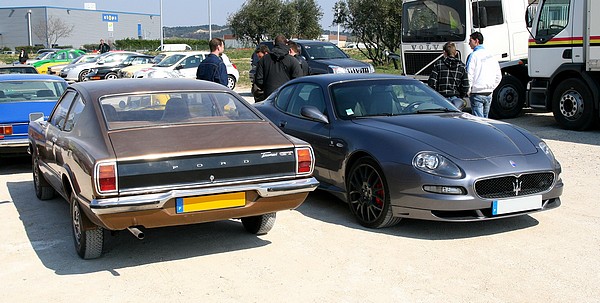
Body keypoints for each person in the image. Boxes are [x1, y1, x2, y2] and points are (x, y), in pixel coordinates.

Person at [466, 31, 502, 118]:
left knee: (478, 121)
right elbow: (498, 75)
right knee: (485, 120)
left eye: (470, 41)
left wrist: (468, 90)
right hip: (489, 92)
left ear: (476, 41)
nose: (469, 43)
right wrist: (492, 87)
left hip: (477, 92)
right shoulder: (491, 56)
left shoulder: (473, 56)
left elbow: (469, 74)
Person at [427, 42, 469, 110]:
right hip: (456, 98)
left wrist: (435, 95)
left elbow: (431, 82)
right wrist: (461, 96)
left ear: (444, 53)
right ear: (455, 53)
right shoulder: (461, 66)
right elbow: (465, 86)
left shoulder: (439, 64)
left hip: (441, 97)